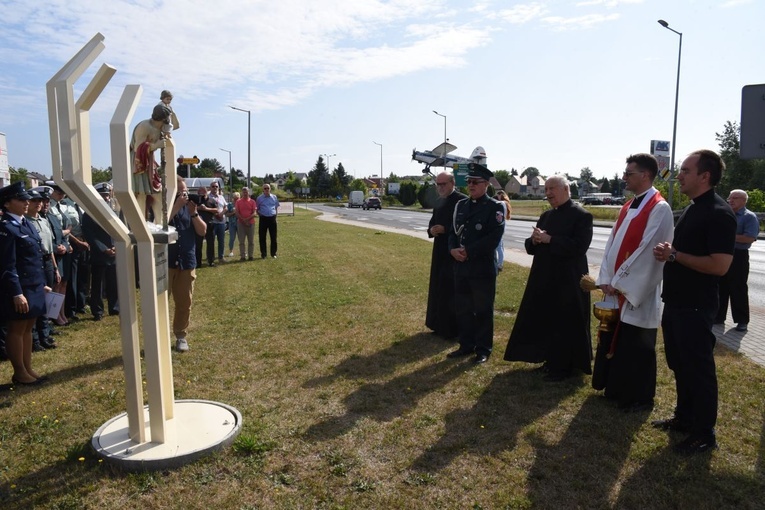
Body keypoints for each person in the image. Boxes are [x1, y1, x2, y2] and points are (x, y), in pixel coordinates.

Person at [652, 150, 736, 454]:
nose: (679, 175)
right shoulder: (692, 208)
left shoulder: (719, 212)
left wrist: (675, 255)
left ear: (705, 176)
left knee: (698, 370)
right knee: (680, 364)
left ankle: (704, 433)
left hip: (696, 306)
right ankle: (684, 418)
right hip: (676, 302)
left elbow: (720, 265)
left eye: (686, 170)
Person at [593, 154, 674, 412]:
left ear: (646, 176)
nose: (624, 177)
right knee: (620, 342)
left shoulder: (659, 207)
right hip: (617, 287)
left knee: (638, 345)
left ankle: (640, 397)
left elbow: (649, 250)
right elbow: (611, 245)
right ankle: (616, 389)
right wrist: (606, 279)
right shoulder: (628, 206)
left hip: (639, 290)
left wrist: (622, 284)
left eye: (629, 173)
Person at [504, 175, 593, 381]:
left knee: (566, 323)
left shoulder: (581, 215)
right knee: (547, 320)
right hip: (545, 278)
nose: (548, 193)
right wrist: (535, 240)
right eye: (546, 189)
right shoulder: (546, 216)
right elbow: (530, 247)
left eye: (552, 188)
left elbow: (579, 247)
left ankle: (565, 367)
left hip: (568, 281)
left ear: (566, 189)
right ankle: (549, 360)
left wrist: (550, 239)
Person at [446, 164, 505, 364]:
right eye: (469, 181)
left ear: (486, 185)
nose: (470, 185)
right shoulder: (461, 205)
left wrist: (468, 251)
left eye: (475, 182)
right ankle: (466, 344)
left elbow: (493, 238)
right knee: (462, 308)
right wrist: (452, 250)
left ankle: (483, 349)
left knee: (482, 310)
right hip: (461, 266)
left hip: (481, 268)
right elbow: (453, 233)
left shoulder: (495, 207)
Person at [0, 182, 49, 385]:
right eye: (21, 199)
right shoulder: (5, 228)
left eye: (26, 199)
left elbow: (36, 256)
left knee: (29, 327)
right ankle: (19, 372)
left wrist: (42, 282)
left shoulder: (26, 223)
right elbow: (7, 265)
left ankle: (28, 368)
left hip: (34, 283)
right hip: (20, 287)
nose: (26, 202)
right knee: (17, 328)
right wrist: (17, 293)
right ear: (7, 203)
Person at [167, 177, 207, 352]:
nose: (184, 195)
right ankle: (158, 337)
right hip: (166, 262)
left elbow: (202, 231)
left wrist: (194, 214)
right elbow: (158, 225)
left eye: (184, 191)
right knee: (160, 303)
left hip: (187, 261)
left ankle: (181, 335)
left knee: (184, 302)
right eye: (179, 192)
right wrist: (175, 206)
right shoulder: (162, 208)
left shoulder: (190, 208)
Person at [425, 172, 466, 340]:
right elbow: (432, 222)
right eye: (438, 184)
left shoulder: (461, 201)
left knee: (451, 290)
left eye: (443, 184)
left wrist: (446, 228)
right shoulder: (439, 201)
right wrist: (432, 230)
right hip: (439, 251)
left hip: (454, 251)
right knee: (438, 287)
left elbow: (463, 226)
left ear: (452, 182)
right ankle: (437, 324)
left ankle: (451, 329)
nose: (440, 187)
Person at [714, 189, 758, 332]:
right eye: (729, 198)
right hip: (722, 254)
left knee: (738, 288)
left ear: (744, 200)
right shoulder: (725, 214)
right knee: (721, 287)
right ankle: (719, 317)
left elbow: (749, 238)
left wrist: (728, 236)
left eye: (735, 198)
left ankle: (742, 321)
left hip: (738, 256)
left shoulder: (749, 217)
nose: (730, 200)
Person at [25, 190, 60, 351]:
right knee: (36, 301)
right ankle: (35, 340)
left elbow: (50, 247)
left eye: (40, 201)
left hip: (47, 261)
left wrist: (55, 267)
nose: (38, 204)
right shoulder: (26, 222)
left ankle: (45, 335)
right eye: (34, 201)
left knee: (47, 299)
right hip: (35, 263)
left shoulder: (44, 221)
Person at [82, 189, 119, 321]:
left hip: (114, 252)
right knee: (97, 285)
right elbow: (90, 235)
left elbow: (117, 229)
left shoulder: (113, 212)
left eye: (107, 195)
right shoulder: (89, 214)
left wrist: (115, 245)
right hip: (99, 254)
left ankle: (114, 307)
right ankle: (97, 310)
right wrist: (104, 249)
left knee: (113, 283)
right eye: (103, 196)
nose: (106, 198)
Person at [198, 181, 227, 266]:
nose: (215, 188)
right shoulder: (207, 197)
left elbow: (223, 207)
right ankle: (209, 259)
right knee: (209, 242)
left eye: (216, 186)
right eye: (213, 186)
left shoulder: (221, 197)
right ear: (210, 188)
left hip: (221, 222)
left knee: (220, 241)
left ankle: (220, 257)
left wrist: (221, 214)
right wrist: (216, 214)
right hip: (212, 221)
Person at [256, 184, 279, 258]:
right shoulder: (259, 198)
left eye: (268, 188)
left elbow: (276, 207)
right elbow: (257, 209)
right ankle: (264, 254)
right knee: (262, 237)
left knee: (273, 237)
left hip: (272, 218)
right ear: (263, 190)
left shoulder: (274, 197)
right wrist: (261, 215)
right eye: (265, 188)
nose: (266, 189)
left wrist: (276, 216)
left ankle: (273, 253)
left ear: (270, 189)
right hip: (263, 219)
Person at [235, 186, 257, 260]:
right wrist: (243, 220)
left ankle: (250, 256)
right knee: (241, 241)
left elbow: (254, 213)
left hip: (251, 223)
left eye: (246, 192)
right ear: (242, 193)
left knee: (251, 241)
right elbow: (237, 213)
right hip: (241, 224)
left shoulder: (252, 202)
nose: (245, 193)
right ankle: (243, 256)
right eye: (243, 192)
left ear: (248, 192)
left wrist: (247, 219)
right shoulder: (238, 202)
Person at [494, 190, 512, 271]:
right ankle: (500, 262)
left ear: (501, 195)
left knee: (498, 246)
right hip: (502, 224)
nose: (497, 196)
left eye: (498, 194)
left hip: (499, 225)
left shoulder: (501, 203)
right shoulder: (506, 203)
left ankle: (500, 264)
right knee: (500, 245)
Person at [226, 191, 240, 257]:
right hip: (232, 224)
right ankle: (231, 251)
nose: (236, 200)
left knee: (241, 238)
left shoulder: (241, 204)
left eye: (237, 198)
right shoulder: (230, 205)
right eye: (235, 198)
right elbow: (227, 214)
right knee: (232, 238)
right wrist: (233, 213)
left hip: (240, 223)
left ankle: (243, 251)